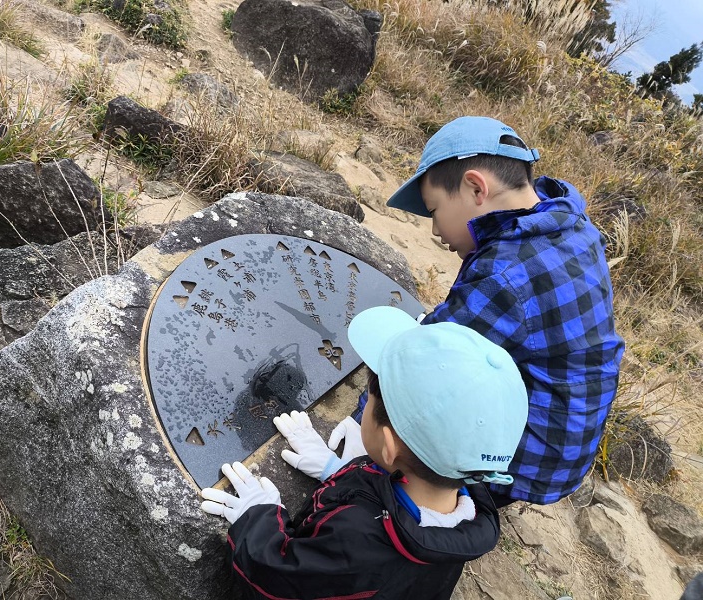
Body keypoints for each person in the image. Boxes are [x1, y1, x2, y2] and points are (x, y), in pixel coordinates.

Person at [369, 115, 625, 507]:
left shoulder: (506, 274)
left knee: (408, 444)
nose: (435, 230)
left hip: (524, 462)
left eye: (434, 210)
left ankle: (456, 506)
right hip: (567, 446)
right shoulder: (567, 222)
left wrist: (367, 421)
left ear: (475, 188)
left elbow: (423, 367)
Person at [200, 306, 529, 600]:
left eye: (368, 399)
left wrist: (258, 516)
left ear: (389, 446)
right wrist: (337, 472)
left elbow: (275, 579)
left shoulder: (356, 540)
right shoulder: (464, 509)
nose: (364, 405)